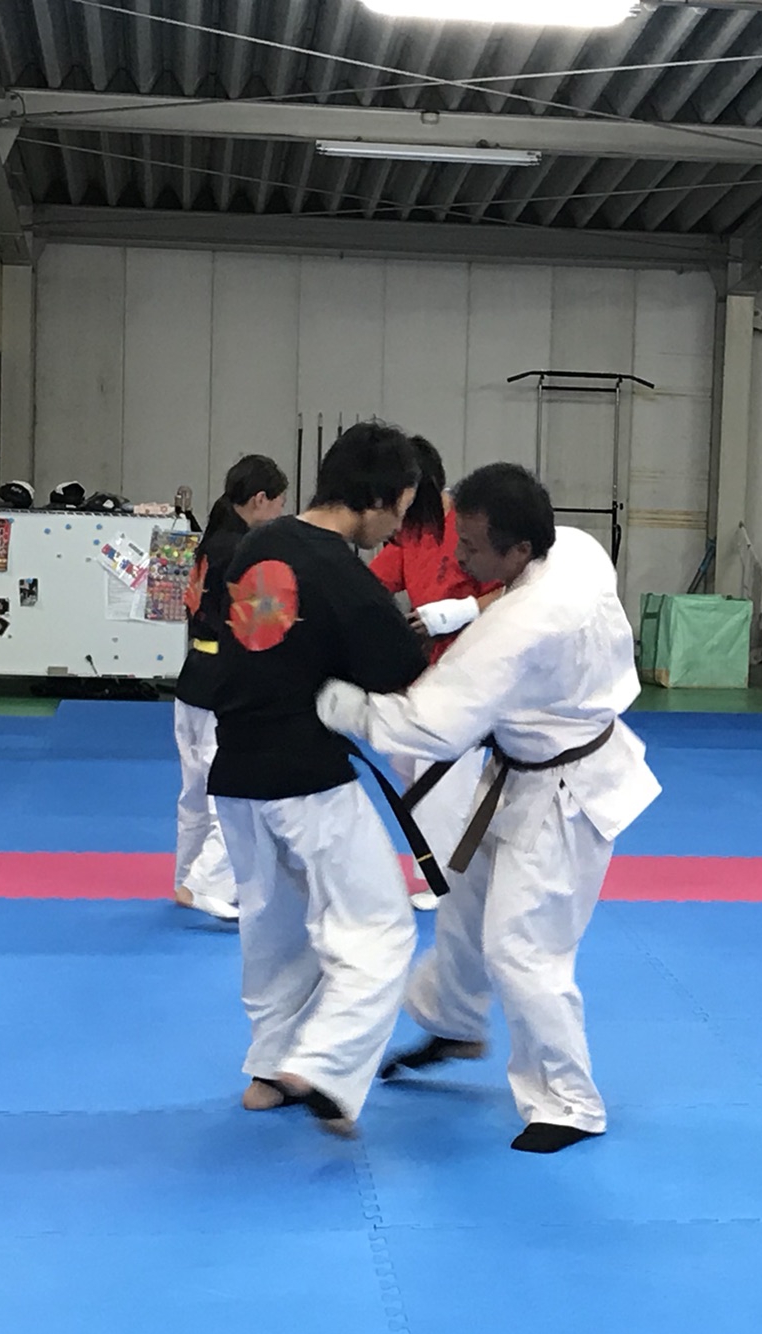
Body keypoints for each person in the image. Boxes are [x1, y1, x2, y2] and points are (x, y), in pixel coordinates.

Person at [316, 462, 660, 1153]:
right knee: (464, 902)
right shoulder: (576, 549)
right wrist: (467, 611)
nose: (459, 559)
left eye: (471, 547)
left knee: (522, 946)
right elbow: (503, 615)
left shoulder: (521, 628)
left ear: (520, 548)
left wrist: (344, 706)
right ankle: (453, 1022)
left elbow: (431, 724)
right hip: (522, 770)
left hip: (565, 799)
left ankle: (568, 1102)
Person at [209, 422, 429, 1135]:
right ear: (379, 497)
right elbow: (398, 670)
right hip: (306, 779)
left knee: (275, 935)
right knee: (380, 926)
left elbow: (270, 642)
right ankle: (326, 1066)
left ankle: (269, 1072)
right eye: (400, 510)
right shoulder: (344, 576)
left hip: (237, 772)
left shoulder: (261, 544)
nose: (396, 530)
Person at [367, 436, 499, 912]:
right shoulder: (410, 532)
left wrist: (463, 609)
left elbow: (514, 592)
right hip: (425, 671)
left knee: (441, 772)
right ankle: (453, 863)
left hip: (472, 667)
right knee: (405, 758)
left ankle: (447, 880)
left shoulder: (471, 526)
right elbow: (372, 582)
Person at [172, 456, 288, 921]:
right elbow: (256, 624)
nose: (279, 512)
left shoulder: (211, 542)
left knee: (195, 793)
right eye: (278, 503)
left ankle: (186, 875)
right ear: (260, 500)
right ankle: (201, 884)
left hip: (194, 676)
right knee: (232, 790)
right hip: (225, 681)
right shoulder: (244, 550)